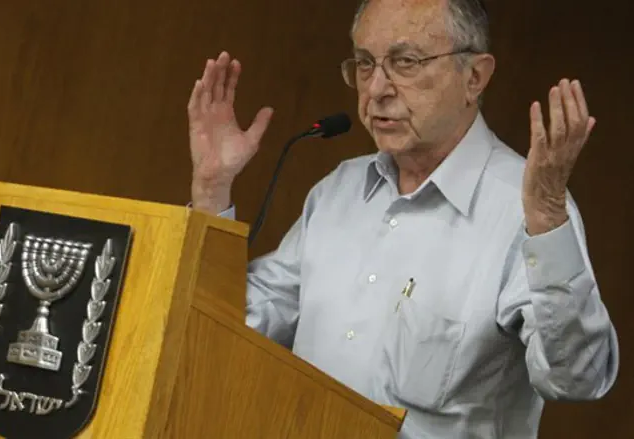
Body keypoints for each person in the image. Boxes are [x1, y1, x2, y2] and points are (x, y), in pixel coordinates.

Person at [186, 0, 619, 437]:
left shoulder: (523, 210)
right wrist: (211, 187)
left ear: (474, 77)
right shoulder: (338, 191)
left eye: (405, 62)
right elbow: (233, 323)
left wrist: (545, 218)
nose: (376, 89)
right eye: (364, 64)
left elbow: (576, 379)